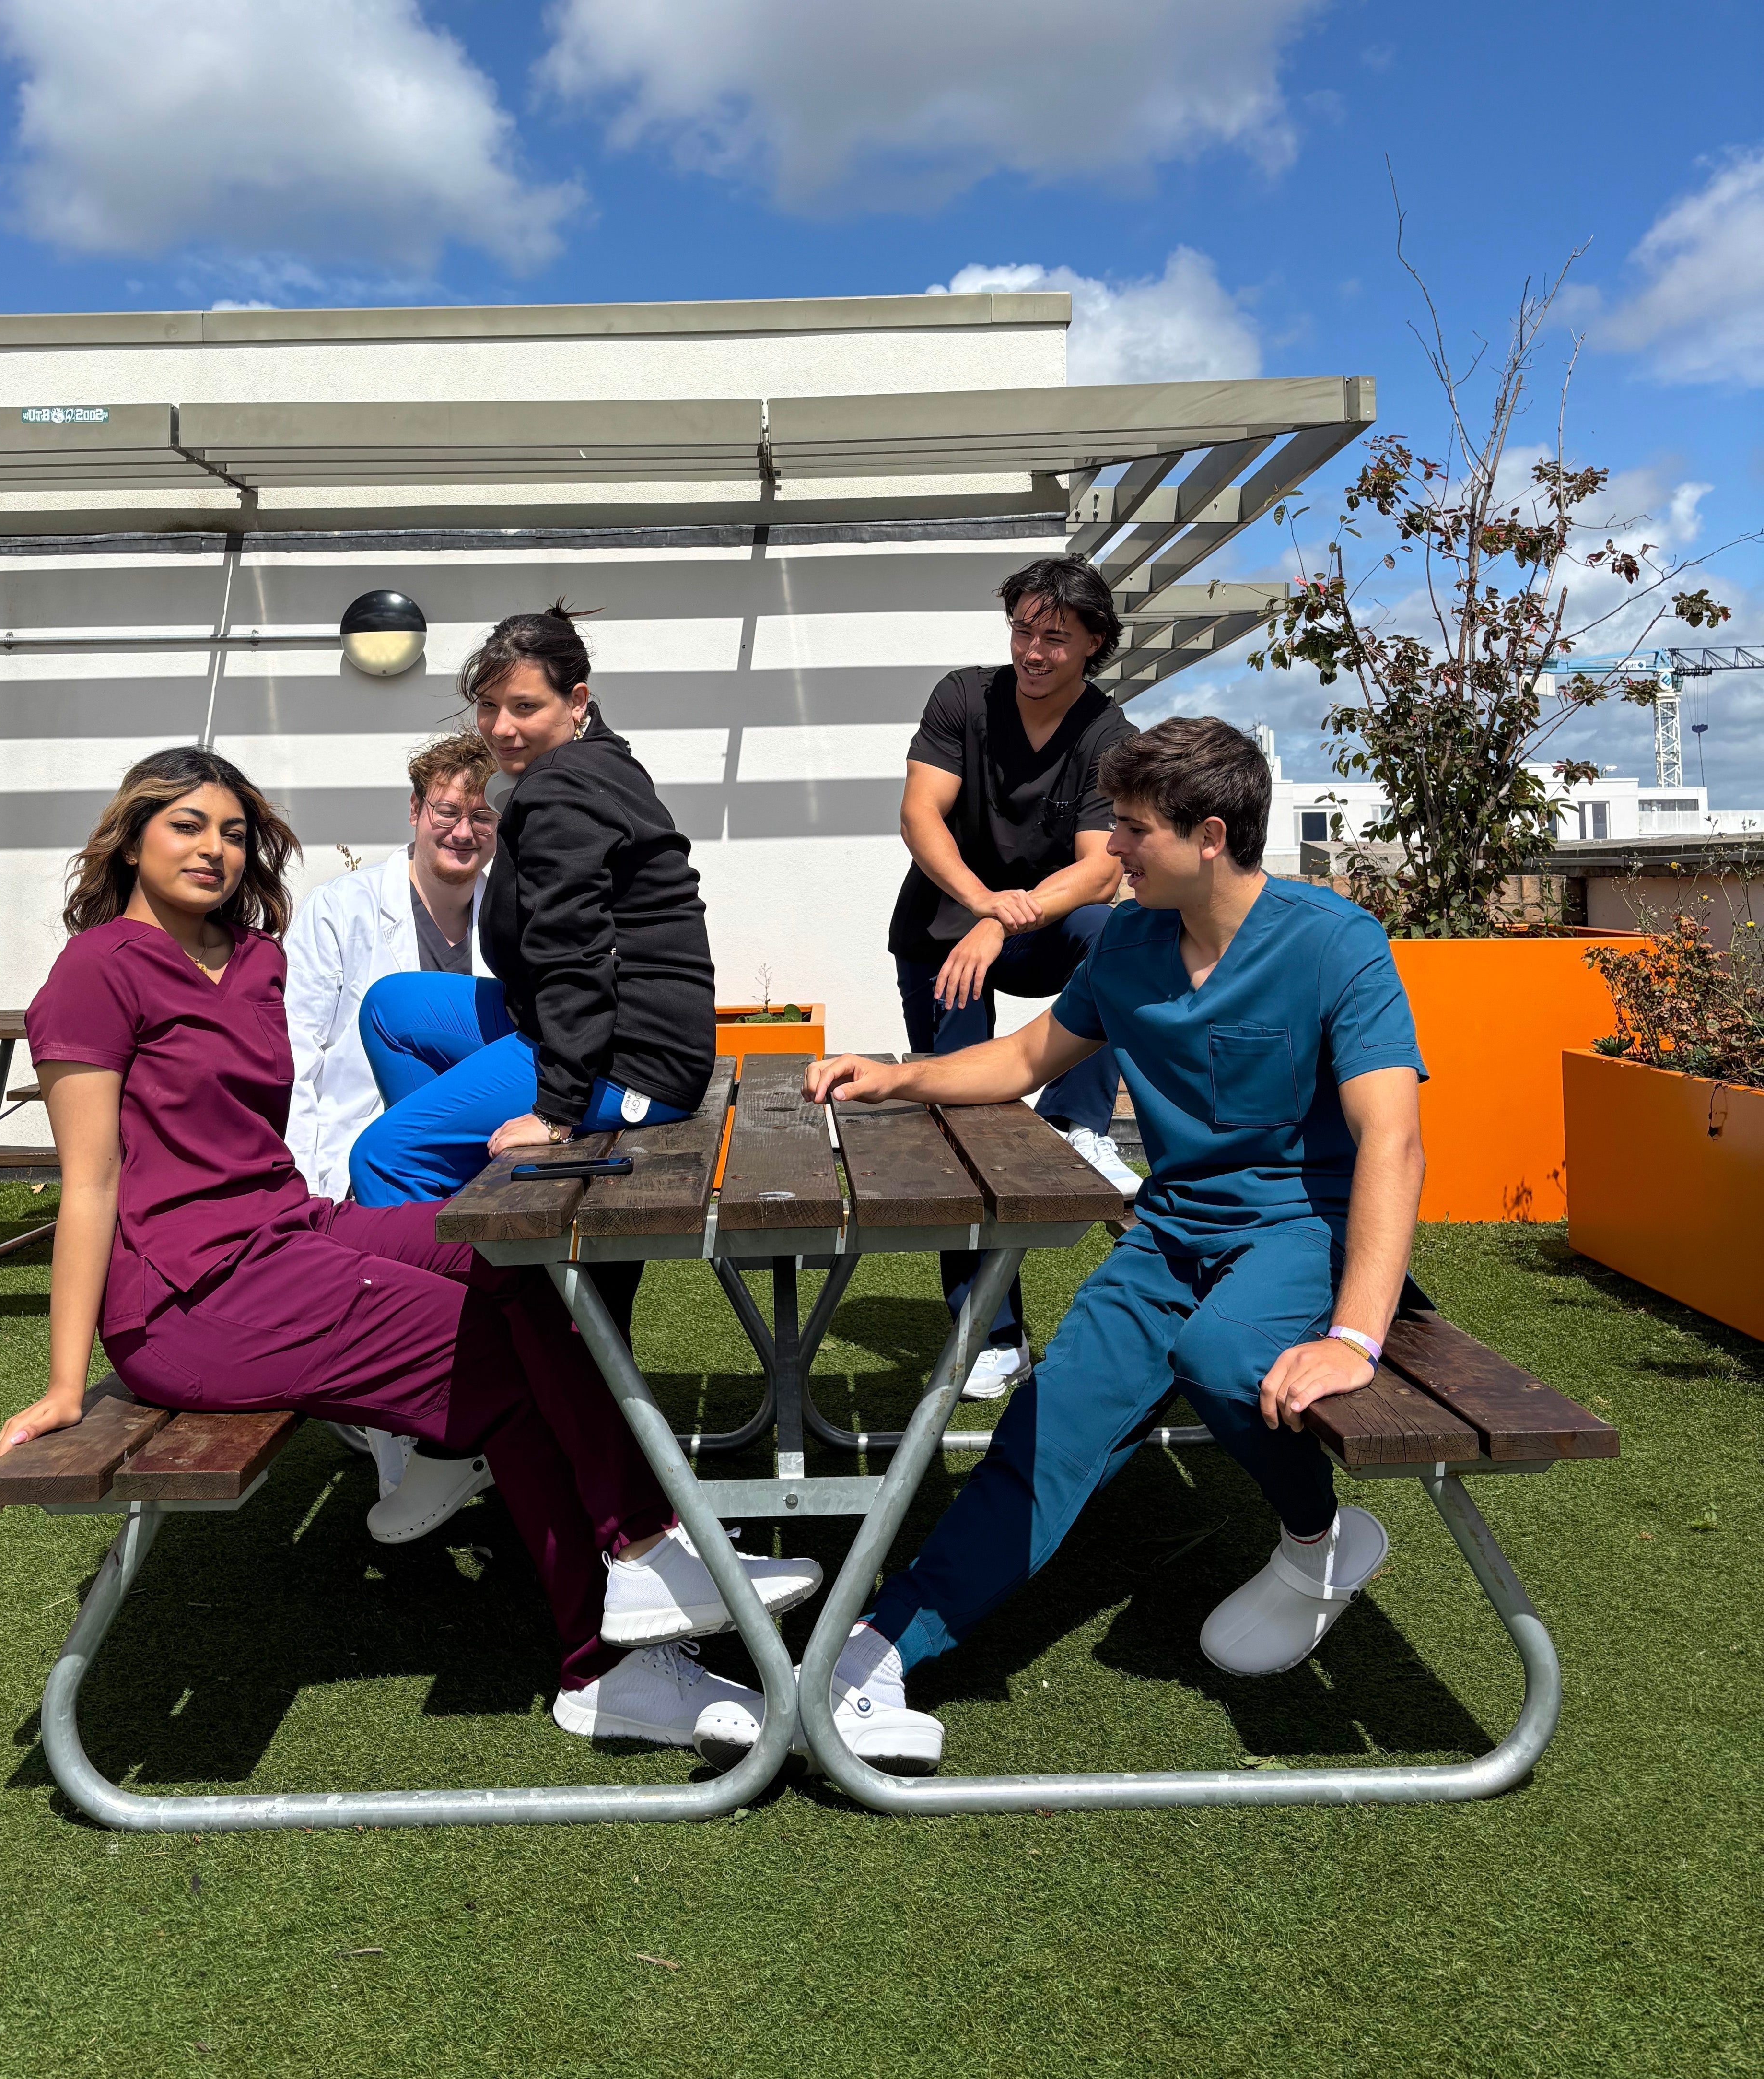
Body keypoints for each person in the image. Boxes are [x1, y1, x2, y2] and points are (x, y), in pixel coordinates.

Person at [0, 744, 819, 1751]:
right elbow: (91, 1184)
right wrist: (67, 1384)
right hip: (190, 1297)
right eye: (186, 825)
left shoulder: (251, 959)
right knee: (501, 1358)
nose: (215, 848)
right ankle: (616, 1633)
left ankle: (636, 1568)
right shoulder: (96, 971)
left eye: (235, 832)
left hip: (289, 1230)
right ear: (133, 836)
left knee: (518, 1254)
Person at [697, 716, 1427, 1774]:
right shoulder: (1130, 945)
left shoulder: (1334, 941)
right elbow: (1028, 1056)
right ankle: (875, 1653)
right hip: (1175, 1230)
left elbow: (1393, 1141)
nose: (1109, 853)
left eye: (1129, 832)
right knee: (1041, 1432)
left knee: (1223, 1357)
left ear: (1209, 835)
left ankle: (1319, 1541)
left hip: (1303, 1226)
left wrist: (1355, 1336)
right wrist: (894, 1075)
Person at [347, 604, 717, 1339]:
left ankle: (469, 1346)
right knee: (394, 1005)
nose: (501, 727)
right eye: (488, 706)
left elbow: (577, 958)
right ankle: (477, 1216)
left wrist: (555, 1113)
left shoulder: (560, 791)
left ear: (576, 701)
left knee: (383, 1155)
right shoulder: (598, 762)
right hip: (580, 1022)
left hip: (626, 1061)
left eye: (525, 707)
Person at [889, 554, 1135, 1402]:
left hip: (1034, 927)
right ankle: (989, 1333)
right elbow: (921, 814)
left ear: (1094, 644)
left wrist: (1001, 919)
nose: (1033, 651)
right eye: (1023, 631)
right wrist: (975, 909)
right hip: (942, 929)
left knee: (1119, 932)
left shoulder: (1110, 735)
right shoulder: (963, 696)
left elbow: (1101, 872)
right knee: (961, 1121)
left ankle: (1078, 1125)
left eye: (1055, 638)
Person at [284, 728, 500, 1546]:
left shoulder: (509, 911)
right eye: (447, 811)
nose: (463, 831)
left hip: (480, 1150)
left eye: (482, 816)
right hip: (360, 1152)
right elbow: (299, 1057)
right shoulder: (341, 913)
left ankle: (472, 1440)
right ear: (415, 813)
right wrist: (304, 1186)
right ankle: (420, 1460)